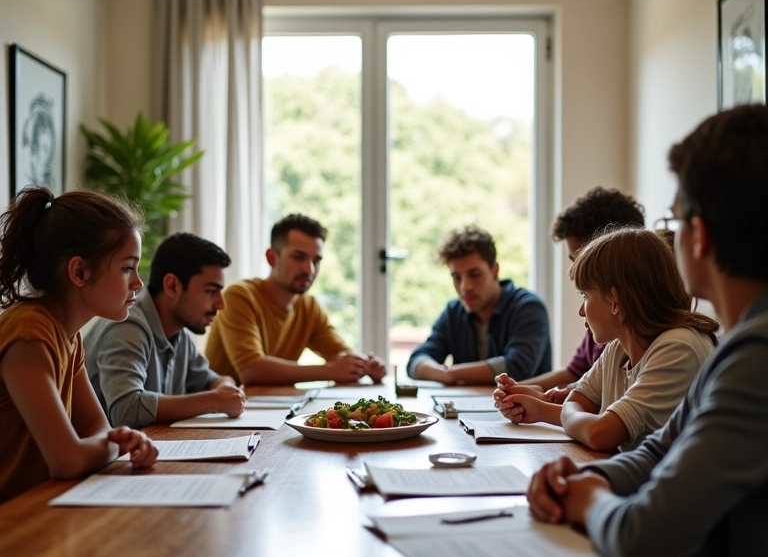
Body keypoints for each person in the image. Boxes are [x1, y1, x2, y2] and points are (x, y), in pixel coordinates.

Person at [527, 104, 768, 557]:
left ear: (699, 234)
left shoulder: (756, 356)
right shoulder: (737, 344)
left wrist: (586, 500)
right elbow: (660, 451)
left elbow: (644, 539)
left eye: (673, 219)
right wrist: (586, 475)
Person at [494, 226, 718, 452]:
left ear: (614, 300)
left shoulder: (679, 346)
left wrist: (561, 409)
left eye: (585, 296)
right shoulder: (617, 349)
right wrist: (538, 410)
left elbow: (600, 433)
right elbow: (580, 403)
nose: (582, 311)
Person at [0, 187, 158, 504]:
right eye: (128, 267)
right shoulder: (31, 330)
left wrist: (114, 440)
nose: (139, 283)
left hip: (41, 506)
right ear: (79, 271)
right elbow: (67, 460)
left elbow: (97, 427)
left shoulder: (68, 337)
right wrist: (118, 444)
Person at [85, 232, 245, 429]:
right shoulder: (126, 326)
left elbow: (212, 380)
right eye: (211, 291)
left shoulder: (179, 335)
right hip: (110, 459)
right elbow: (127, 411)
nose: (221, 304)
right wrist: (216, 401)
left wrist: (227, 390)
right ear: (172, 286)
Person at [502, 187, 646, 403]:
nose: (573, 273)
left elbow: (604, 412)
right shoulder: (602, 325)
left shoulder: (628, 333)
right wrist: (520, 390)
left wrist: (542, 401)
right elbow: (575, 375)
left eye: (579, 260)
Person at [205, 213, 386, 385]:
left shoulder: (309, 307)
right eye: (299, 257)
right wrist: (330, 371)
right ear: (271, 258)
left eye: (316, 260)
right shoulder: (239, 296)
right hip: (220, 414)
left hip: (271, 408)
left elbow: (341, 355)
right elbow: (251, 369)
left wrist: (365, 366)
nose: (309, 270)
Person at [406, 226, 551, 385]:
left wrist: (452, 373)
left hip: (522, 408)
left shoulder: (528, 307)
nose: (465, 287)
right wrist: (445, 374)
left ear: (495, 271)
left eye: (474, 275)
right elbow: (417, 360)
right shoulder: (453, 311)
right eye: (456, 277)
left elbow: (517, 367)